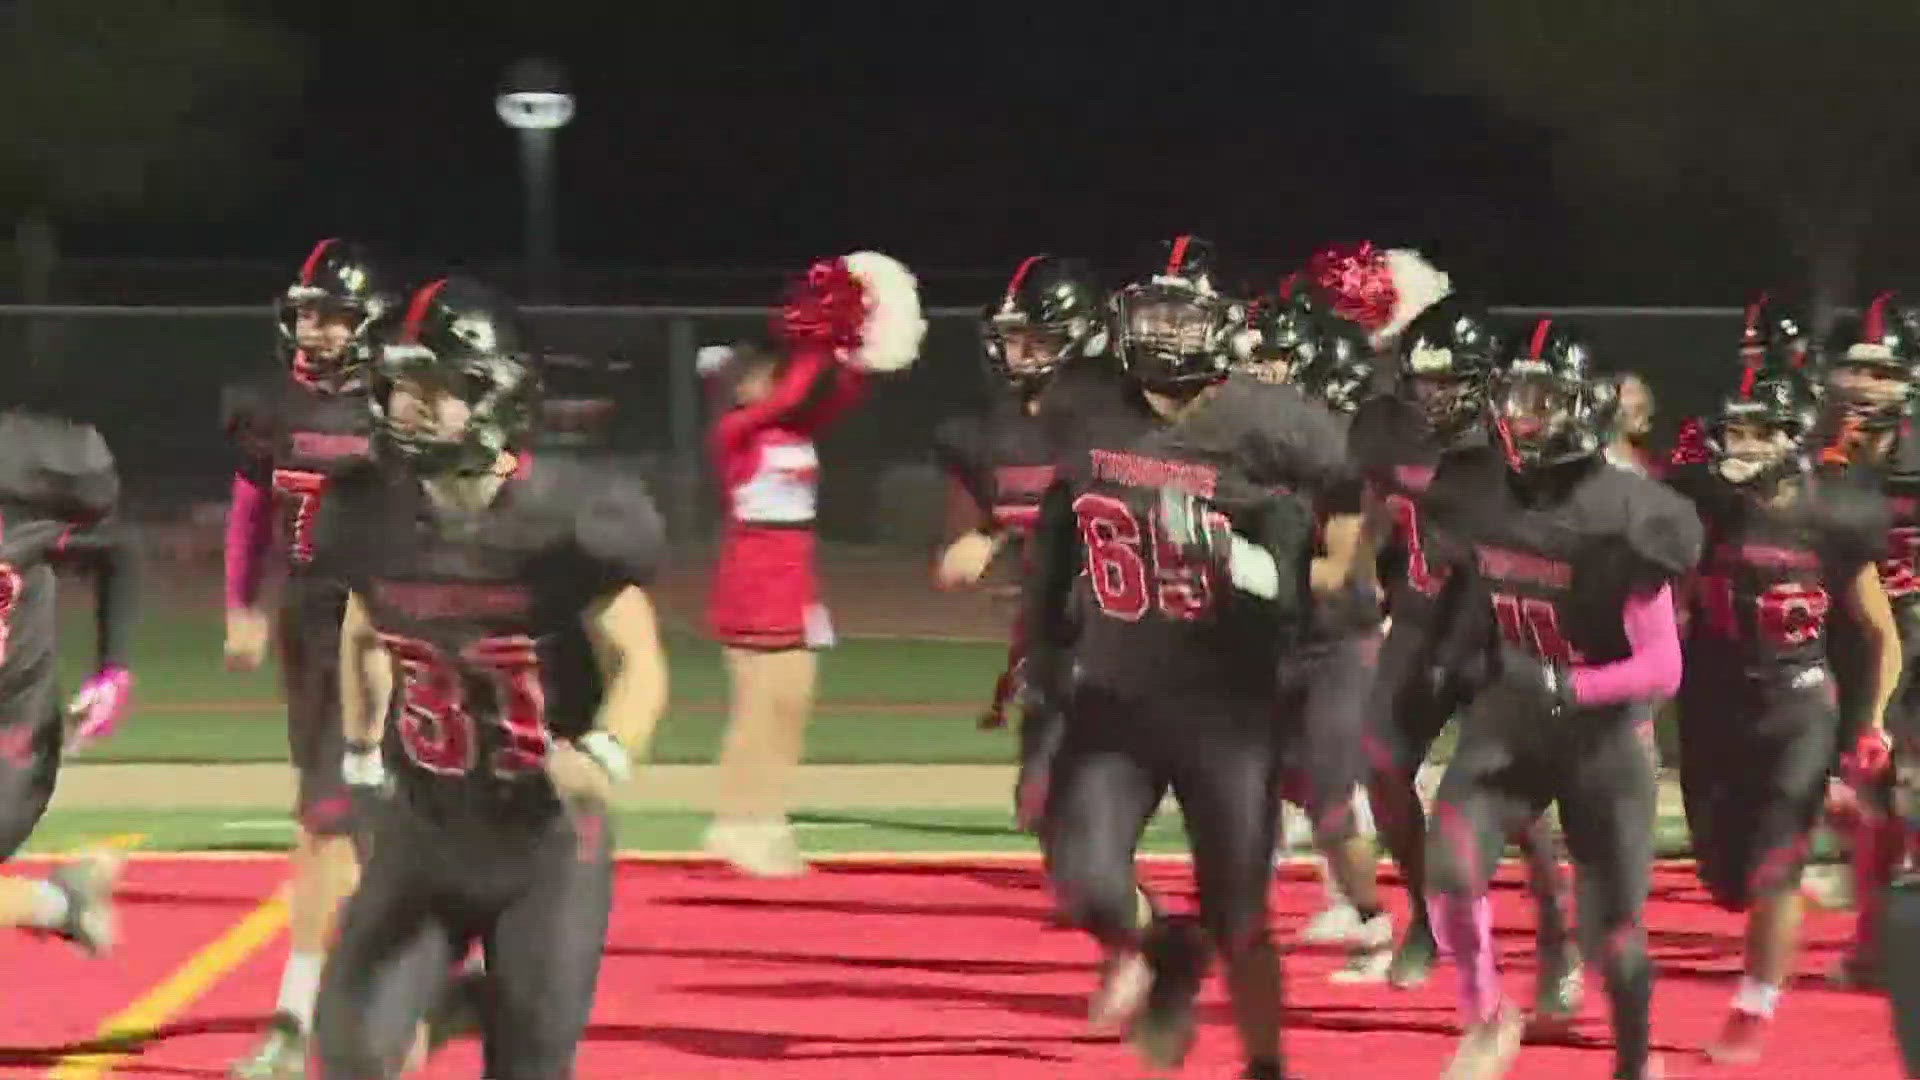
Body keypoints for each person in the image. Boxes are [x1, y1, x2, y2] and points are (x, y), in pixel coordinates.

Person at [309, 276, 670, 1079]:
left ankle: (486, 1002)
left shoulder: (573, 515)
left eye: (439, 389)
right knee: (349, 1052)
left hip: (544, 838)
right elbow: (364, 628)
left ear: (497, 396)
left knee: (532, 1063)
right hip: (423, 827)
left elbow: (637, 660)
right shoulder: (367, 509)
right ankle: (465, 997)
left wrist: (608, 749)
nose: (412, 408)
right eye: (401, 387)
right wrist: (364, 746)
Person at [1024, 235, 1324, 1079]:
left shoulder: (1265, 429)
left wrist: (1228, 554)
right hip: (1114, 693)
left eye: (1181, 315)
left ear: (1224, 328)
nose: (1163, 332)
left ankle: (1265, 1063)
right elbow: (1058, 530)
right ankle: (1167, 949)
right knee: (1082, 880)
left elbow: (1295, 588)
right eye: (1150, 312)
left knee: (1241, 913)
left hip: (1225, 711)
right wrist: (1044, 641)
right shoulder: (1086, 407)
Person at [1418, 320, 1701, 1080]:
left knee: (1612, 935)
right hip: (1513, 720)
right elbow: (1486, 583)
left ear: (1584, 408)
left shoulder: (1630, 513)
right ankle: (1485, 1014)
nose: (1524, 416)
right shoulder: (1477, 488)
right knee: (1447, 869)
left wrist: (1569, 684)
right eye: (1514, 396)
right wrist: (1456, 657)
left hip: (1602, 736)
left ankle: (1638, 1062)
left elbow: (1662, 667)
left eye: (1542, 399)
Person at [1669, 365, 1898, 1064]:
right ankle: (1830, 831)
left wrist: (1873, 720)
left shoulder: (1833, 515)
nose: (1743, 443)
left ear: (1794, 438)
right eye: (1735, 428)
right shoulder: (1699, 501)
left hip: (1797, 707)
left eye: (1759, 430)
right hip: (1709, 706)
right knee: (1728, 884)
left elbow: (1879, 632)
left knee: (1776, 869)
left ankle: (1755, 1003)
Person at [1353, 299, 1578, 1008]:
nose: (1431, 399)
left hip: (1501, 634)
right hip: (1420, 624)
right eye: (1422, 385)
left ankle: (1556, 941)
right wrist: (1366, 589)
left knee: (1524, 806)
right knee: (1381, 767)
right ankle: (1425, 917)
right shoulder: (1388, 431)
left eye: (1447, 385)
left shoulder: (1519, 445)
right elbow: (1373, 509)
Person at [223, 239, 398, 1078]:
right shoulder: (273, 402)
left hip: (398, 629)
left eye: (331, 314)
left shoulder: (399, 403)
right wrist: (242, 605)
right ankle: (298, 1010)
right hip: (311, 623)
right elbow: (251, 503)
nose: (314, 329)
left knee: (400, 811)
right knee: (325, 813)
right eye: (308, 312)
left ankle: (439, 963)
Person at [701, 252, 924, 877]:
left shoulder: (799, 429)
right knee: (757, 705)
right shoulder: (737, 435)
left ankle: (767, 816)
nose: (761, 383)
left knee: (793, 704)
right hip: (752, 575)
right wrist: (822, 346)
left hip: (795, 577)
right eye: (752, 378)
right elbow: (797, 389)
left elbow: (832, 394)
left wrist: (855, 347)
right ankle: (737, 821)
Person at [933, 254, 1108, 745]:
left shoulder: (1117, 418)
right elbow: (958, 551)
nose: (1022, 352)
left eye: (1040, 338)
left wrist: (998, 534)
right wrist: (977, 538)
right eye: (1014, 337)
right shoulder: (985, 431)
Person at [1811, 292, 1920, 991]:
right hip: (1855, 630)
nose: (1866, 387)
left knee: (1903, 787)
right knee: (1861, 793)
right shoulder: (1823, 453)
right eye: (1855, 371)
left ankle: (1884, 943)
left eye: (1881, 373)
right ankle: (1877, 937)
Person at [0, 408, 135, 956]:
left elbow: (118, 551)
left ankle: (63, 903)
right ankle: (62, 902)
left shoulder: (16, 508)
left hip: (13, 738)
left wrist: (112, 669)